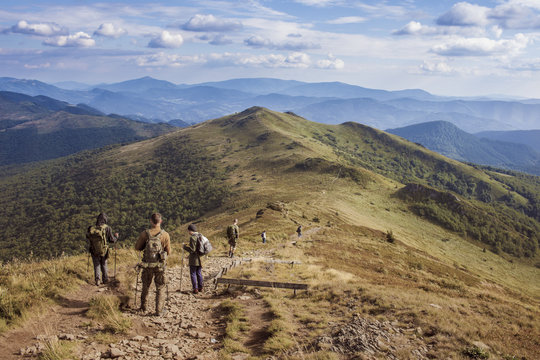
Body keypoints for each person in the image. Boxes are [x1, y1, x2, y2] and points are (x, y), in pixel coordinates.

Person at [135, 213, 171, 315]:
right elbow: (168, 252)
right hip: (159, 265)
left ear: (151, 221)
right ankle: (159, 310)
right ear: (160, 221)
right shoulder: (165, 235)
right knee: (160, 287)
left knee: (145, 286)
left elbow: (137, 247)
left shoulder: (145, 234)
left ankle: (143, 307)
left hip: (147, 265)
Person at [86, 213, 118, 286]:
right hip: (104, 250)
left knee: (96, 265)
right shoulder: (107, 228)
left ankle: (97, 280)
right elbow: (112, 240)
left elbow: (87, 236)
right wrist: (116, 237)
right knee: (104, 263)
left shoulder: (91, 228)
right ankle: (105, 279)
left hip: (93, 250)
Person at [183, 224, 203, 294]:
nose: (188, 232)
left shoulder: (192, 237)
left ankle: (195, 289)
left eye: (188, 231)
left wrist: (184, 247)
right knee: (199, 273)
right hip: (200, 258)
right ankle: (200, 287)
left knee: (193, 273)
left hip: (194, 259)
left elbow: (192, 250)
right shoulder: (200, 235)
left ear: (190, 230)